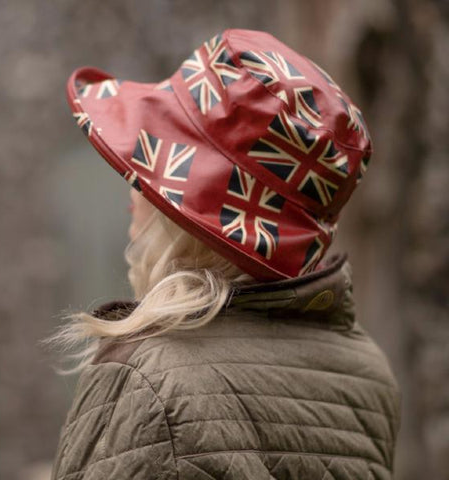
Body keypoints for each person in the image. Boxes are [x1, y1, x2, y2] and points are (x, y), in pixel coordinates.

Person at [47, 28, 401, 480]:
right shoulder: (366, 375)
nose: (132, 190)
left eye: (143, 171)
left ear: (185, 209)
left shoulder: (147, 378)